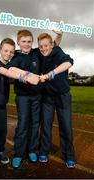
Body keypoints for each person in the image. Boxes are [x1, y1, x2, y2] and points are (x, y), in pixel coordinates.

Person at [0, 37, 40, 172]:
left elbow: (13, 69)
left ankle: (0, 151)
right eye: (6, 50)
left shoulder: (10, 64)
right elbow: (8, 73)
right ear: (0, 50)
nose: (8, 54)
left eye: (11, 52)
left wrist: (32, 76)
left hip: (1, 104)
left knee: (2, 130)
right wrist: (27, 77)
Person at [6, 29, 63, 169]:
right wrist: (25, 76)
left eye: (29, 41)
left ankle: (32, 150)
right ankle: (19, 154)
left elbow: (53, 45)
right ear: (18, 42)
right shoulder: (16, 56)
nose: (26, 44)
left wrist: (59, 35)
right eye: (23, 42)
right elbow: (10, 70)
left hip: (37, 96)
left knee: (35, 124)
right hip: (23, 97)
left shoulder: (36, 52)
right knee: (23, 123)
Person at [38, 33, 75, 168]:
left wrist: (50, 74)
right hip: (47, 96)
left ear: (52, 45)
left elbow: (69, 63)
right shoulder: (39, 54)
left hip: (63, 96)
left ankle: (69, 156)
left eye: (46, 46)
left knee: (66, 125)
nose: (43, 49)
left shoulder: (57, 52)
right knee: (46, 125)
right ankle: (43, 151)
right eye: (41, 46)